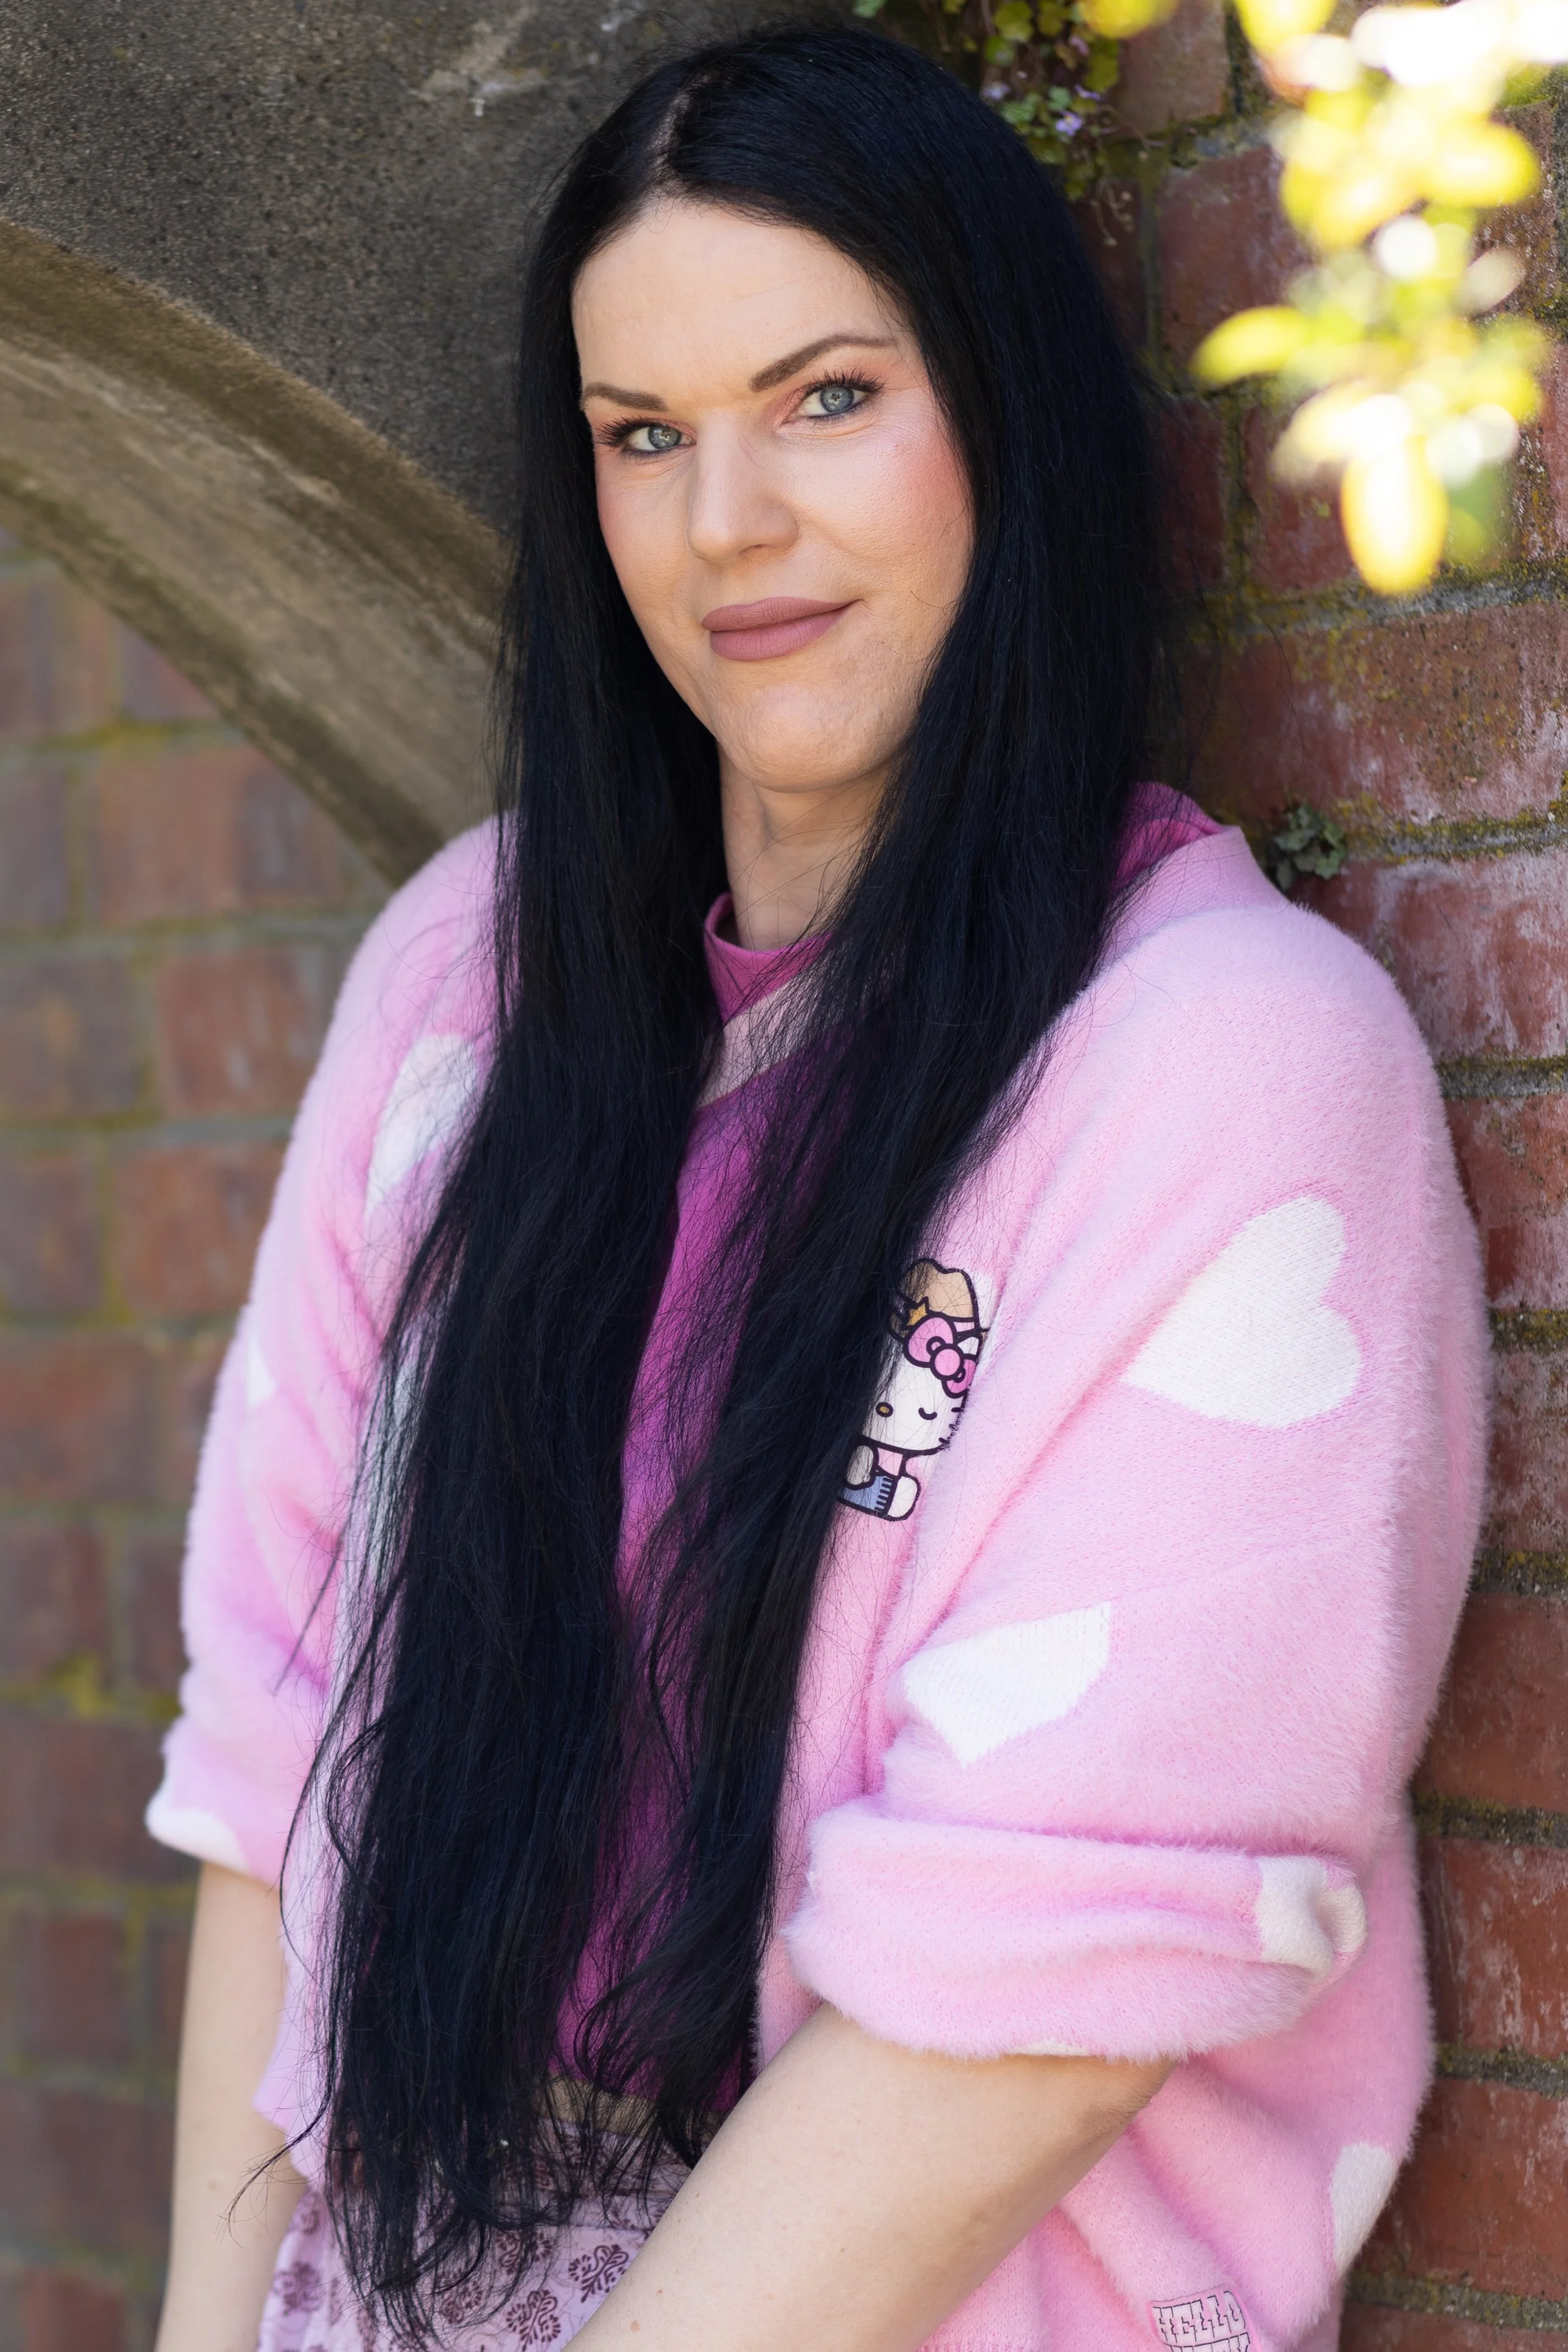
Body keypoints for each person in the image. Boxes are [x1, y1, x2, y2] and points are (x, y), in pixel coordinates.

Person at [146, 24, 1488, 2352]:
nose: (725, 521)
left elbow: (1052, 1970)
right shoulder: (467, 989)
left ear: (1006, 421)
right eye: (641, 438)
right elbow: (279, 1753)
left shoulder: (1220, 1072)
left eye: (826, 398)